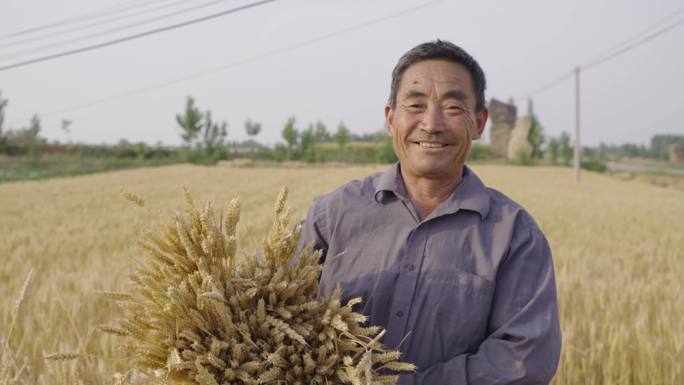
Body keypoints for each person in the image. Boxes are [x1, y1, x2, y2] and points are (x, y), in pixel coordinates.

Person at [300, 40, 561, 384]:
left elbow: (522, 361)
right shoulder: (332, 216)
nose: (432, 124)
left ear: (480, 123)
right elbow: (263, 307)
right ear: (391, 118)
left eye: (453, 107)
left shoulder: (515, 236)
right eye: (416, 104)